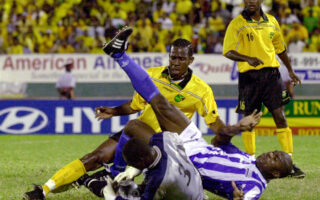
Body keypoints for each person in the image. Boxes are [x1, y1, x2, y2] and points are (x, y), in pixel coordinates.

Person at [94, 27, 292, 200]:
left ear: (275, 173)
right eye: (274, 152)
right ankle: (119, 54)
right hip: (196, 142)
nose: (269, 154)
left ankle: (118, 179)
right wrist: (237, 128)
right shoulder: (247, 159)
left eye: (274, 157)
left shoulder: (255, 186)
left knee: (134, 128)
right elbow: (219, 142)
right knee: (159, 105)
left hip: (185, 162)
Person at [23, 37, 233, 199]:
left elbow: (213, 120)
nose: (175, 62)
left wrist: (225, 137)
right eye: (173, 57)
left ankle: (106, 177)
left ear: (190, 60)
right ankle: (43, 190)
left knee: (129, 186)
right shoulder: (152, 75)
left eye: (181, 58)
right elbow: (135, 105)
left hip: (160, 145)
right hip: (137, 130)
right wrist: (114, 111)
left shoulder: (201, 90)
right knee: (95, 157)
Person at [222, 0, 304, 178]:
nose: (251, 1)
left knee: (280, 117)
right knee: (250, 121)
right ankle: (251, 162)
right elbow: (227, 51)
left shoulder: (272, 21)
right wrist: (247, 58)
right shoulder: (237, 23)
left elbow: (280, 48)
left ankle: (288, 163)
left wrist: (290, 70)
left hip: (272, 76)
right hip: (249, 78)